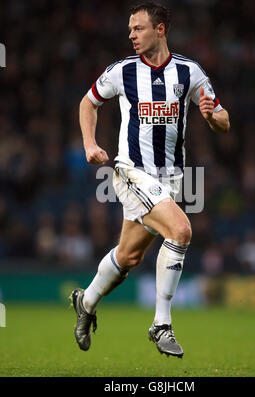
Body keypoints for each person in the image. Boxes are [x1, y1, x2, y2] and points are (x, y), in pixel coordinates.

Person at [71, 2, 230, 358]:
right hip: (130, 172)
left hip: (170, 179)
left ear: (160, 30)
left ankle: (87, 301)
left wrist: (212, 116)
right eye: (130, 29)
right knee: (181, 231)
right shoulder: (122, 71)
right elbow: (88, 103)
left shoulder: (190, 72)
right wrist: (90, 143)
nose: (131, 35)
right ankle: (161, 324)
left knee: (128, 257)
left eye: (138, 28)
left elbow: (223, 120)